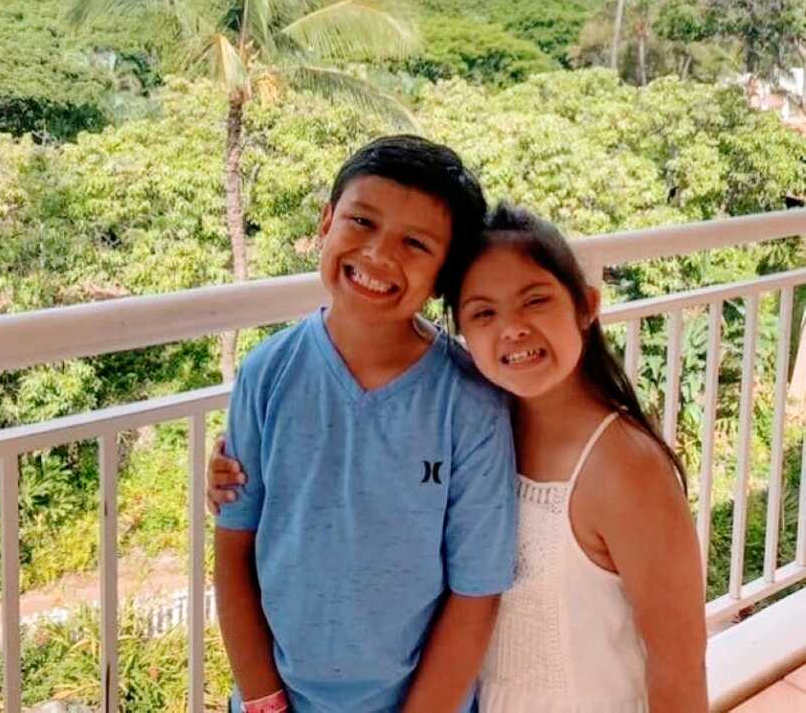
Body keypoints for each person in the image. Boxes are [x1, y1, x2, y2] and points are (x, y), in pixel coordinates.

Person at [211, 201, 708, 713]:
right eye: (484, 313)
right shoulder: (473, 429)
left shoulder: (626, 467)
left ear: (586, 305)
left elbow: (679, 666)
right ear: (461, 333)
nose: (511, 329)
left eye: (535, 301)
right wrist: (244, 471)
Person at [213, 135, 518, 713]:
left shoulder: (469, 403)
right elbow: (234, 552)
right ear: (326, 221)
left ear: (444, 272)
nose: (379, 255)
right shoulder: (267, 374)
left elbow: (475, 592)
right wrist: (262, 700)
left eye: (415, 243)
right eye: (361, 221)